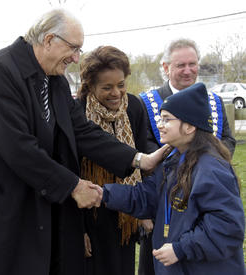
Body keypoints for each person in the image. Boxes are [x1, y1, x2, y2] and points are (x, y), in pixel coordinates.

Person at [0, 9, 163, 275]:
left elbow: (83, 130)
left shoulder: (55, 80)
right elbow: (18, 147)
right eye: (73, 49)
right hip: (4, 206)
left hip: (40, 204)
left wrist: (139, 159)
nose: (76, 58)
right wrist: (73, 186)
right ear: (49, 39)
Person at [102, 82, 245, 275]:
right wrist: (103, 194)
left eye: (167, 119)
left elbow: (227, 227)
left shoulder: (210, 169)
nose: (159, 125)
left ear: (189, 127)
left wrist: (181, 249)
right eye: (161, 119)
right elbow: (148, 197)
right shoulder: (174, 160)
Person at [137, 38, 236, 275]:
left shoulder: (214, 101)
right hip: (163, 201)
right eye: (181, 65)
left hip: (204, 198)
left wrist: (205, 160)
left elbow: (228, 140)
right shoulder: (145, 103)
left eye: (193, 64)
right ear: (165, 67)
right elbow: (144, 147)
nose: (188, 70)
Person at [76, 45, 147, 275]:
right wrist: (79, 229)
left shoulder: (134, 107)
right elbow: (70, 168)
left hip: (126, 212)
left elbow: (143, 157)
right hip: (92, 213)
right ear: (90, 86)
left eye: (121, 85)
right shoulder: (77, 111)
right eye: (107, 87)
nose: (116, 93)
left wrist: (145, 210)